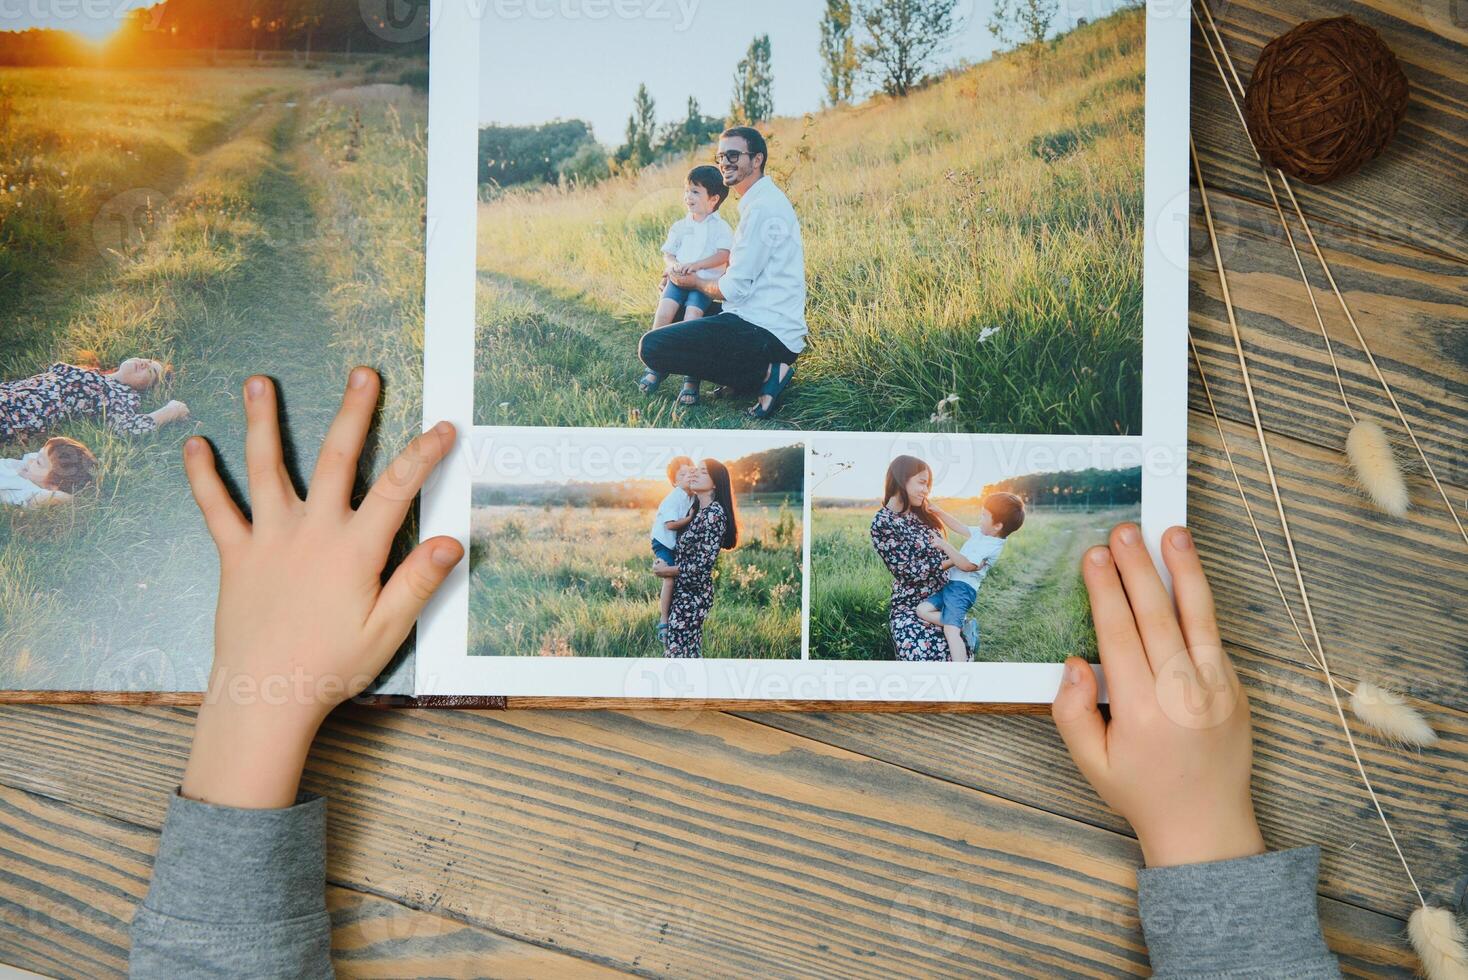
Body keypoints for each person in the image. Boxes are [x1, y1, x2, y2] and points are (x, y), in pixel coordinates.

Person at [128, 369, 1339, 977]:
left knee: (698, 625)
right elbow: (689, 544)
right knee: (712, 622)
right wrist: (1204, 834)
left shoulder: (718, 508)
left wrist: (260, 694)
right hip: (840, 605)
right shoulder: (850, 520)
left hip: (738, 594)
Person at [637, 127, 808, 420]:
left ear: (756, 160)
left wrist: (694, 281)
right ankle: (740, 380)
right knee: (678, 308)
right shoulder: (758, 202)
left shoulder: (762, 209)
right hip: (756, 318)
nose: (725, 162)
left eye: (733, 155)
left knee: (653, 347)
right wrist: (682, 279)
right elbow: (743, 270)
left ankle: (766, 371)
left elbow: (732, 290)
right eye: (720, 156)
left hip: (766, 332)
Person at [638, 166, 734, 407]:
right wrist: (673, 266)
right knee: (663, 314)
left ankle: (692, 379)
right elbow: (668, 254)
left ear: (713, 199)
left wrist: (696, 265)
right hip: (678, 280)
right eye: (686, 191)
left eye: (695, 192)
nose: (688, 197)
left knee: (692, 322)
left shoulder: (720, 227)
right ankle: (656, 366)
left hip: (702, 285)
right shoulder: (680, 226)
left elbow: (723, 255)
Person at [916, 492, 1025, 661]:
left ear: (997, 526)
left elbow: (966, 565)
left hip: (963, 590)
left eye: (984, 515)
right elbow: (960, 527)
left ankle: (961, 670)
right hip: (950, 585)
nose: (980, 518)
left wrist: (945, 545)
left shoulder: (992, 545)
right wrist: (938, 511)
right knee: (922, 610)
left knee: (950, 631)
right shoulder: (983, 533)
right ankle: (961, 624)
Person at [651, 458, 737, 658]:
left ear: (715, 482)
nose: (695, 474)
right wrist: (661, 559)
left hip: (693, 596)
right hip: (682, 593)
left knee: (678, 656)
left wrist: (667, 571)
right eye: (695, 470)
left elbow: (702, 565)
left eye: (703, 472)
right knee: (684, 654)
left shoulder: (714, 515)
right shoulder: (698, 511)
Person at [869, 455, 950, 661]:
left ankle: (964, 632)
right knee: (924, 656)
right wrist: (956, 561)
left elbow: (943, 550)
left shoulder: (922, 514)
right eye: (922, 483)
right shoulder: (883, 522)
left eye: (928, 485)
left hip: (942, 599)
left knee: (955, 653)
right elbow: (909, 572)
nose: (926, 490)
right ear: (901, 478)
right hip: (911, 604)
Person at [0, 357, 189, 441]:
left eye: (152, 370)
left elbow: (125, 428)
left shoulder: (123, 396)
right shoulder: (98, 375)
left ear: (149, 388)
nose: (145, 363)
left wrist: (171, 410)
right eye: (147, 360)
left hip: (15, 412)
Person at [651, 455, 696, 643]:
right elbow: (670, 525)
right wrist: (690, 519)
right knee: (669, 578)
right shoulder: (674, 498)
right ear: (674, 481)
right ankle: (663, 621)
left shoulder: (692, 495)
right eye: (683, 474)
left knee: (679, 578)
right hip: (662, 541)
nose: (688, 476)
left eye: (690, 472)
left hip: (673, 543)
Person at [0, 436, 97, 507]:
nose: (31, 460)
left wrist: (70, 498)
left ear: (50, 486)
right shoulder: (31, 470)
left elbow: (43, 499)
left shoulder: (28, 489)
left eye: (38, 462)